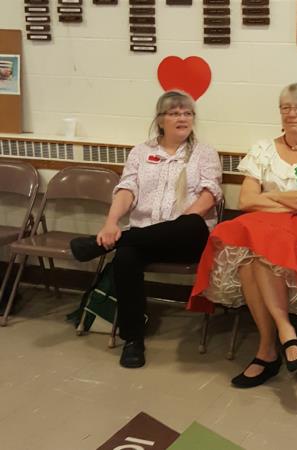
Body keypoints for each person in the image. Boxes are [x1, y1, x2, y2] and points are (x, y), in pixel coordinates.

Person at [187, 82, 297, 388]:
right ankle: (284, 334)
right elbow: (246, 201)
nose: (293, 113)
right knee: (252, 251)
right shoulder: (263, 150)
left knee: (257, 245)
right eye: (286, 107)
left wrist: (273, 196)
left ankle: (268, 350)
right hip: (267, 228)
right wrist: (295, 201)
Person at [70, 90, 223, 369]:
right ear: (160, 120)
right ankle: (133, 340)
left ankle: (105, 243)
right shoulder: (141, 152)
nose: (182, 118)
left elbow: (210, 194)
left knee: (189, 224)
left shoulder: (205, 153)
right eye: (174, 113)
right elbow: (127, 189)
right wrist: (110, 223)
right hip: (146, 236)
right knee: (126, 257)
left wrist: (175, 227)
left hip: (186, 238)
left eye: (187, 113)